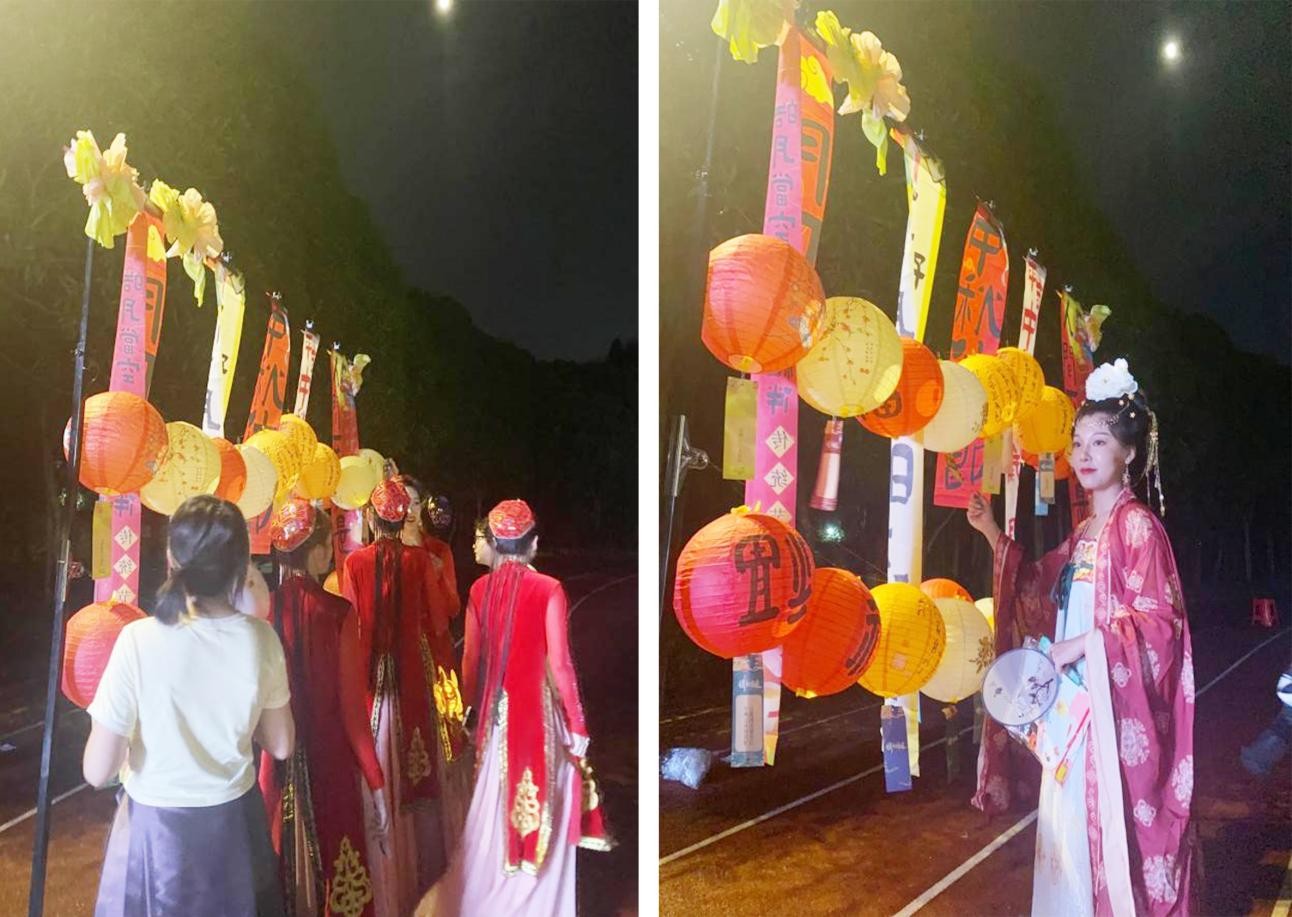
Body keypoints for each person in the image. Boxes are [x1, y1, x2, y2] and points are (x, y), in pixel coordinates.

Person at [967, 359, 1196, 916]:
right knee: (1067, 832)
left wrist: (1087, 644)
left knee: (1103, 831)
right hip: (1073, 714)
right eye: (1078, 443)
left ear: (1129, 454)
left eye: (1100, 442)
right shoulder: (1085, 532)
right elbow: (1035, 587)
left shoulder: (1137, 527)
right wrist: (992, 532)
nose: (1084, 454)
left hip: (1110, 711)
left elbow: (1161, 625)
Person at [84, 494, 293, 916]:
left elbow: (97, 770)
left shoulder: (137, 640)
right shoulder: (261, 638)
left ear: (171, 559)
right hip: (234, 832)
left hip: (156, 837)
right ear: (241, 566)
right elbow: (282, 743)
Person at [417, 500, 611, 917]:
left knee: (489, 815)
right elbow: (560, 665)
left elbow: (471, 661)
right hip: (537, 719)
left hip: (495, 719)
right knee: (544, 811)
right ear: (533, 544)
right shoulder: (549, 589)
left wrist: (471, 713)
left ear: (494, 543)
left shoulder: (480, 590)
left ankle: (480, 899)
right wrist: (578, 725)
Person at [260, 499, 388, 916]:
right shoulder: (337, 614)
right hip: (331, 763)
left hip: (276, 764)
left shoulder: (263, 613)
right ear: (315, 551)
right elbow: (353, 715)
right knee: (340, 867)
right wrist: (376, 781)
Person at [343, 479, 454, 915]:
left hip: (372, 677)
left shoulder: (355, 562)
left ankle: (383, 869)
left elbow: (352, 624)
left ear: (372, 519)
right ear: (403, 517)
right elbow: (440, 622)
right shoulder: (420, 560)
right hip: (413, 673)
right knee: (420, 761)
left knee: (376, 756)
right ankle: (424, 879)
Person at [395, 474, 460, 618]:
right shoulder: (387, 552)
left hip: (432, 631)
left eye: (416, 503)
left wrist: (439, 576)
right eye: (404, 503)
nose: (410, 511)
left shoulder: (439, 550)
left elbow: (453, 608)